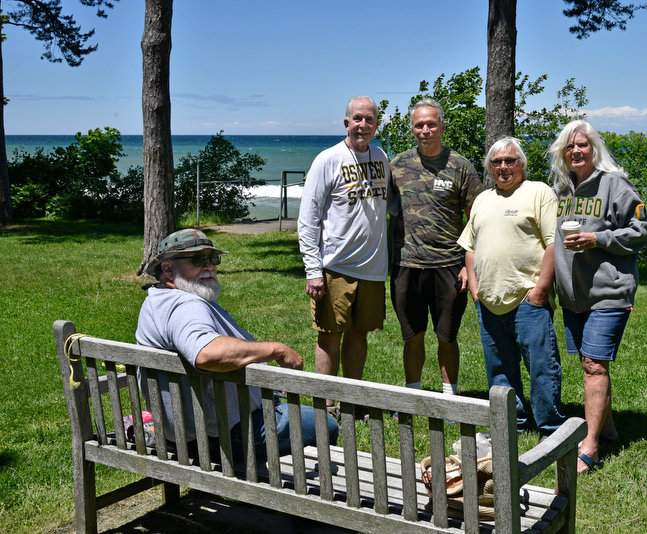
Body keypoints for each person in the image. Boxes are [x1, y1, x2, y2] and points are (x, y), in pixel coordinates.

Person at [137, 229, 339, 458]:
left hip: (186, 431)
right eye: (198, 259)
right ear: (168, 269)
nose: (209, 267)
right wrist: (277, 350)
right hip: (223, 435)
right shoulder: (185, 306)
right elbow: (206, 353)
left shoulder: (158, 299)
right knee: (325, 424)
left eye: (213, 258)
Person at [548, 119, 647, 473]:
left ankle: (590, 446)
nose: (576, 151)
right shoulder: (562, 189)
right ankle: (607, 429)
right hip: (573, 295)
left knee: (594, 365)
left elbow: (643, 228)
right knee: (589, 363)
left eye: (583, 145)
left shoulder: (615, 184)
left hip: (609, 290)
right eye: (570, 147)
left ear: (595, 149)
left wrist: (598, 239)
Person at [458, 137, 566, 435]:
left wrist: (541, 290)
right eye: (497, 162)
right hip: (489, 300)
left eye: (510, 161)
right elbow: (470, 247)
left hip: (527, 299)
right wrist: (476, 291)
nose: (503, 167)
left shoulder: (538, 192)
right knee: (500, 370)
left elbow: (553, 243)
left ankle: (551, 428)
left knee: (542, 367)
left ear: (522, 164)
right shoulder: (482, 199)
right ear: (489, 167)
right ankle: (509, 425)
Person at [298, 96, 389, 417]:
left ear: (377, 124)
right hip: (334, 267)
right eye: (357, 119)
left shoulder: (380, 156)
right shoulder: (328, 159)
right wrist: (313, 269)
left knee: (358, 333)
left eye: (369, 119)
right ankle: (324, 405)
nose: (363, 125)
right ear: (346, 122)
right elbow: (308, 217)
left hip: (373, 269)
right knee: (329, 336)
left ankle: (350, 402)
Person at [388, 98, 484, 400]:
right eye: (419, 125)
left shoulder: (461, 167)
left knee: (447, 336)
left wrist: (470, 268)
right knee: (412, 336)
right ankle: (414, 397)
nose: (425, 130)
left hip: (449, 266)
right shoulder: (396, 166)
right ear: (412, 129)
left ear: (442, 126)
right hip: (407, 266)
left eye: (431, 124)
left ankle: (449, 399)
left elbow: (477, 219)